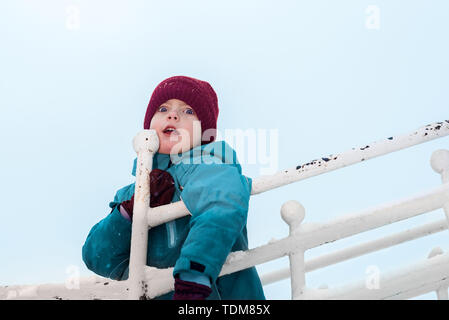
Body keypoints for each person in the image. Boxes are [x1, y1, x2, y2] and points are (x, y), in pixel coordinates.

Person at [82, 75, 266, 300]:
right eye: (162, 108)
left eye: (188, 111)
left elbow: (221, 208)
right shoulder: (131, 193)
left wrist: (195, 273)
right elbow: (99, 258)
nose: (173, 114)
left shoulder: (213, 168)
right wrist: (127, 213)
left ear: (203, 133)